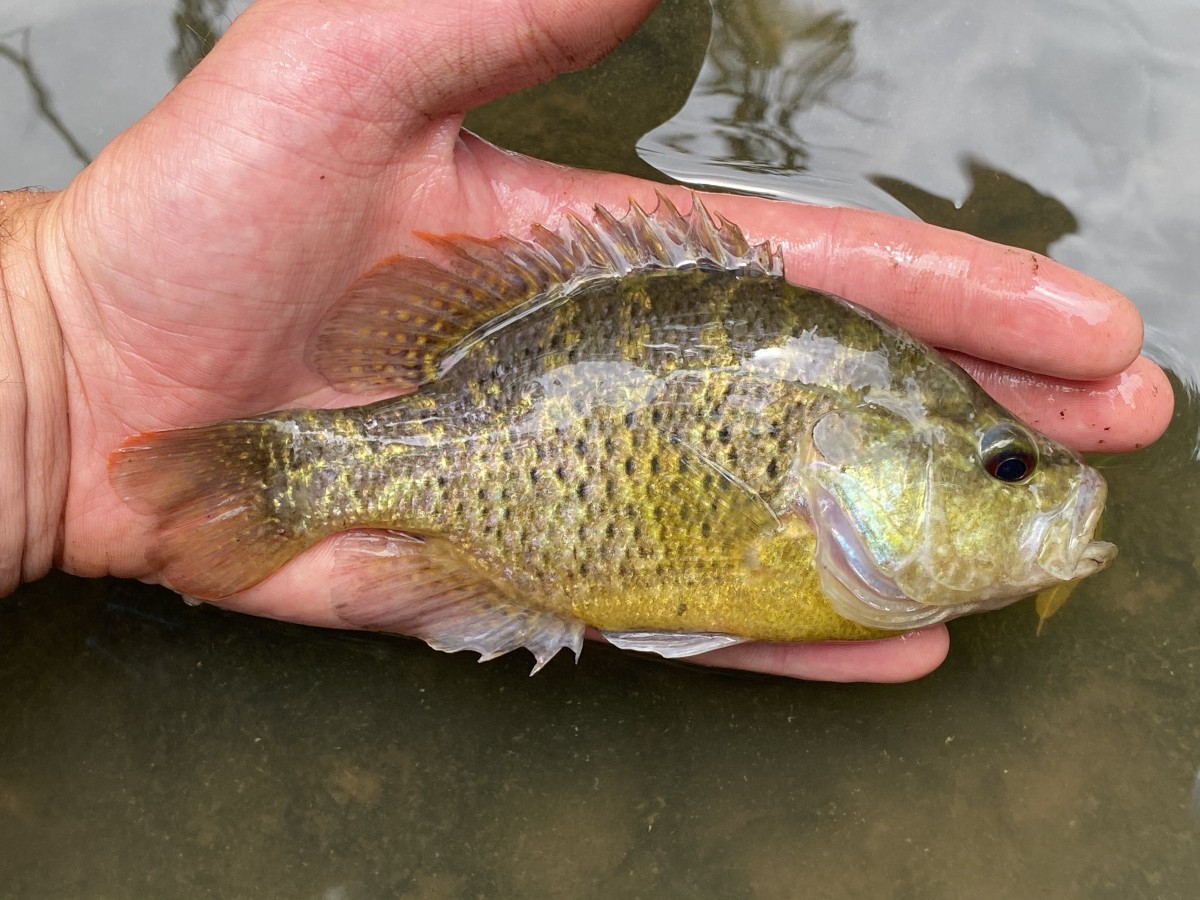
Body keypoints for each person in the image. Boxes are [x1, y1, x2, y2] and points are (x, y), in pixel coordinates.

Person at [0, 0, 1172, 681]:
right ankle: (285, 473)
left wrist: (50, 351)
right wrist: (46, 337)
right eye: (1006, 466)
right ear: (847, 452)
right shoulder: (817, 467)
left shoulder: (827, 479)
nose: (1039, 487)